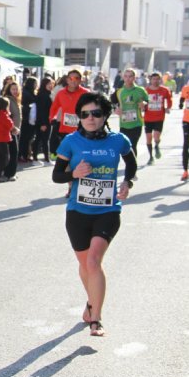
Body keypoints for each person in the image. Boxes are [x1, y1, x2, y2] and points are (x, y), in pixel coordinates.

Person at [52, 92, 137, 337]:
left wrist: (127, 182)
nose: (90, 118)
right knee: (85, 264)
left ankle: (96, 319)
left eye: (96, 113)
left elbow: (131, 163)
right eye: (84, 114)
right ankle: (91, 302)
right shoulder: (70, 142)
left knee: (93, 261)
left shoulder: (118, 140)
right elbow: (57, 176)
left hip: (108, 210)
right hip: (77, 212)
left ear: (105, 116)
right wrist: (74, 174)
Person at [111, 68, 148, 159]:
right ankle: (130, 163)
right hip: (124, 124)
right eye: (126, 76)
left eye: (130, 76)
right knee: (125, 146)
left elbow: (148, 101)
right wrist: (115, 109)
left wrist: (144, 104)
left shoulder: (140, 90)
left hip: (137, 123)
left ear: (134, 78)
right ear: (123, 77)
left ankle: (133, 166)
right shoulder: (119, 91)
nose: (128, 79)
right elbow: (111, 103)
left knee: (133, 145)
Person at [143, 72, 173, 164]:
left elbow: (169, 99)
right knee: (148, 138)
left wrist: (168, 108)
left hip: (159, 117)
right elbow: (141, 100)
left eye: (157, 79)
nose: (155, 81)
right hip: (148, 117)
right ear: (150, 80)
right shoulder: (145, 90)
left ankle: (156, 145)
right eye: (154, 79)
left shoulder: (164, 90)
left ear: (160, 80)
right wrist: (142, 106)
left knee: (156, 137)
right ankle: (151, 157)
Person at [0, 97, 19, 182]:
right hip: (3, 138)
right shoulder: (3, 115)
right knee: (4, 158)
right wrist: (16, 129)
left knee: (1, 157)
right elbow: (10, 124)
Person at [2, 81, 22, 181]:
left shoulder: (16, 100)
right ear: (9, 90)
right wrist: (12, 127)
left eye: (16, 89)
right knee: (14, 152)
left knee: (13, 152)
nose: (15, 91)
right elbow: (6, 116)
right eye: (13, 89)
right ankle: (10, 174)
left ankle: (9, 172)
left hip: (16, 129)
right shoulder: (8, 100)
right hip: (11, 130)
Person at [34, 77, 54, 163]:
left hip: (45, 120)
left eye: (51, 84)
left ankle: (37, 158)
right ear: (44, 84)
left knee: (40, 139)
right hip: (44, 121)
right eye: (48, 84)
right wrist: (43, 123)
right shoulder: (43, 95)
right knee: (44, 140)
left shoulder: (46, 94)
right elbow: (41, 110)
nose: (50, 85)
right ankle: (46, 159)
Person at [19, 76, 38, 163]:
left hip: (30, 119)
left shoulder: (30, 92)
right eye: (35, 83)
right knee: (25, 138)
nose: (36, 85)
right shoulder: (26, 93)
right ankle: (22, 155)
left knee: (28, 138)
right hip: (26, 119)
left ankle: (26, 154)